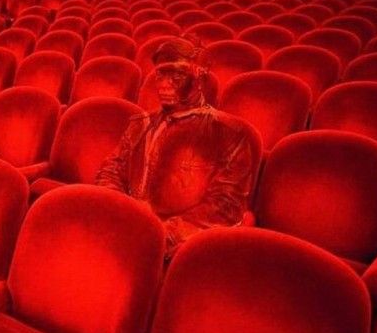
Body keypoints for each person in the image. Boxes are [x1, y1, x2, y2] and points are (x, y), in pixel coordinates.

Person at [96, 36, 260, 261]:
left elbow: (225, 206)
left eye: (176, 75)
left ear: (198, 75)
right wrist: (120, 213)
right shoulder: (140, 124)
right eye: (160, 74)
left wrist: (156, 232)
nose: (163, 84)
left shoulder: (230, 133)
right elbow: (111, 169)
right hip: (124, 231)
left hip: (179, 249)